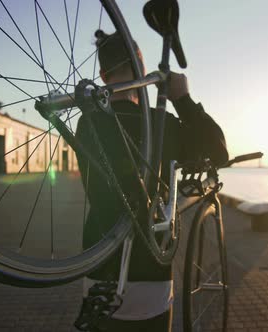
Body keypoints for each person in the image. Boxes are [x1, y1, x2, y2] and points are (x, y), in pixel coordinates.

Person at [73, 29, 228, 332]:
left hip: (97, 262)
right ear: (143, 68)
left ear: (103, 75)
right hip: (149, 271)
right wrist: (182, 99)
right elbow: (218, 152)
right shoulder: (164, 125)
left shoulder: (86, 121)